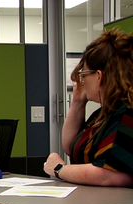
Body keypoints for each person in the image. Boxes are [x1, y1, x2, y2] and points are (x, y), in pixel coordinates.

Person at [44, 29, 133, 187]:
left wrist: (58, 169)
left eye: (84, 75)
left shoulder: (126, 114)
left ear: (99, 76)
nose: (81, 82)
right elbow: (71, 147)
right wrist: (77, 103)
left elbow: (110, 175)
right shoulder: (103, 114)